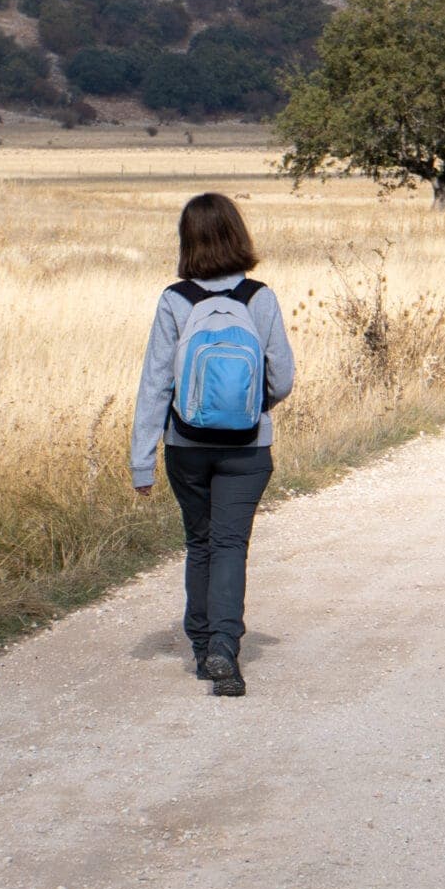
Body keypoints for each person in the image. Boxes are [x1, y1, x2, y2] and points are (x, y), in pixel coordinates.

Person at [131, 192, 297, 697]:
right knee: (230, 545)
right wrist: (250, 407)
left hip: (186, 444)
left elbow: (156, 384)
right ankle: (225, 646)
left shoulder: (174, 300)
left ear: (188, 240)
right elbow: (284, 377)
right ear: (237, 234)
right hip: (248, 447)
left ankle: (203, 648)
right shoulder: (259, 297)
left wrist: (143, 461)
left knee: (199, 542)